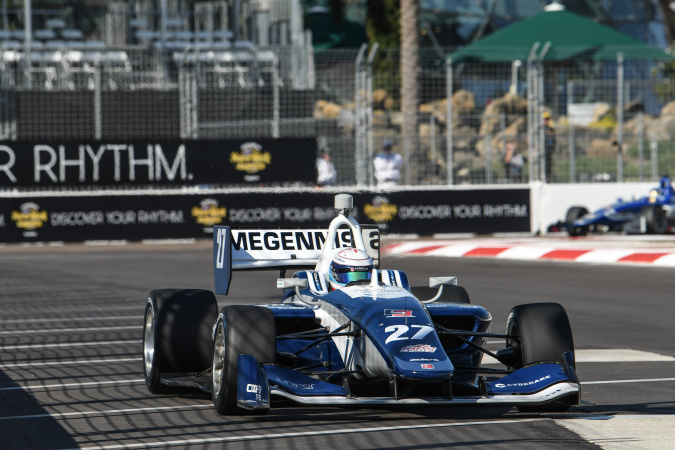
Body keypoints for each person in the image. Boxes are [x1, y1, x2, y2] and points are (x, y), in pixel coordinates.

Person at [543, 111, 556, 182]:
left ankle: (548, 179)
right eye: (544, 119)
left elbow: (553, 140)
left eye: (547, 119)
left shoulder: (551, 129)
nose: (546, 121)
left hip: (548, 151)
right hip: (542, 151)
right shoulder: (539, 129)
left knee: (548, 167)